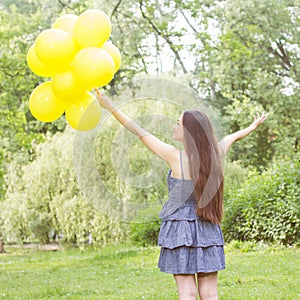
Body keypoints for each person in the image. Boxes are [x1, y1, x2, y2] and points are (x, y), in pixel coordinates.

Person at [95, 89, 268, 300]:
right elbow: (233, 138)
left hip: (179, 230)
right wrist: (251, 127)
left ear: (189, 132)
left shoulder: (174, 156)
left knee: (187, 292)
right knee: (210, 293)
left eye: (178, 123)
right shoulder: (214, 155)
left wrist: (109, 105)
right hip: (207, 227)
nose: (174, 126)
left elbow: (138, 130)